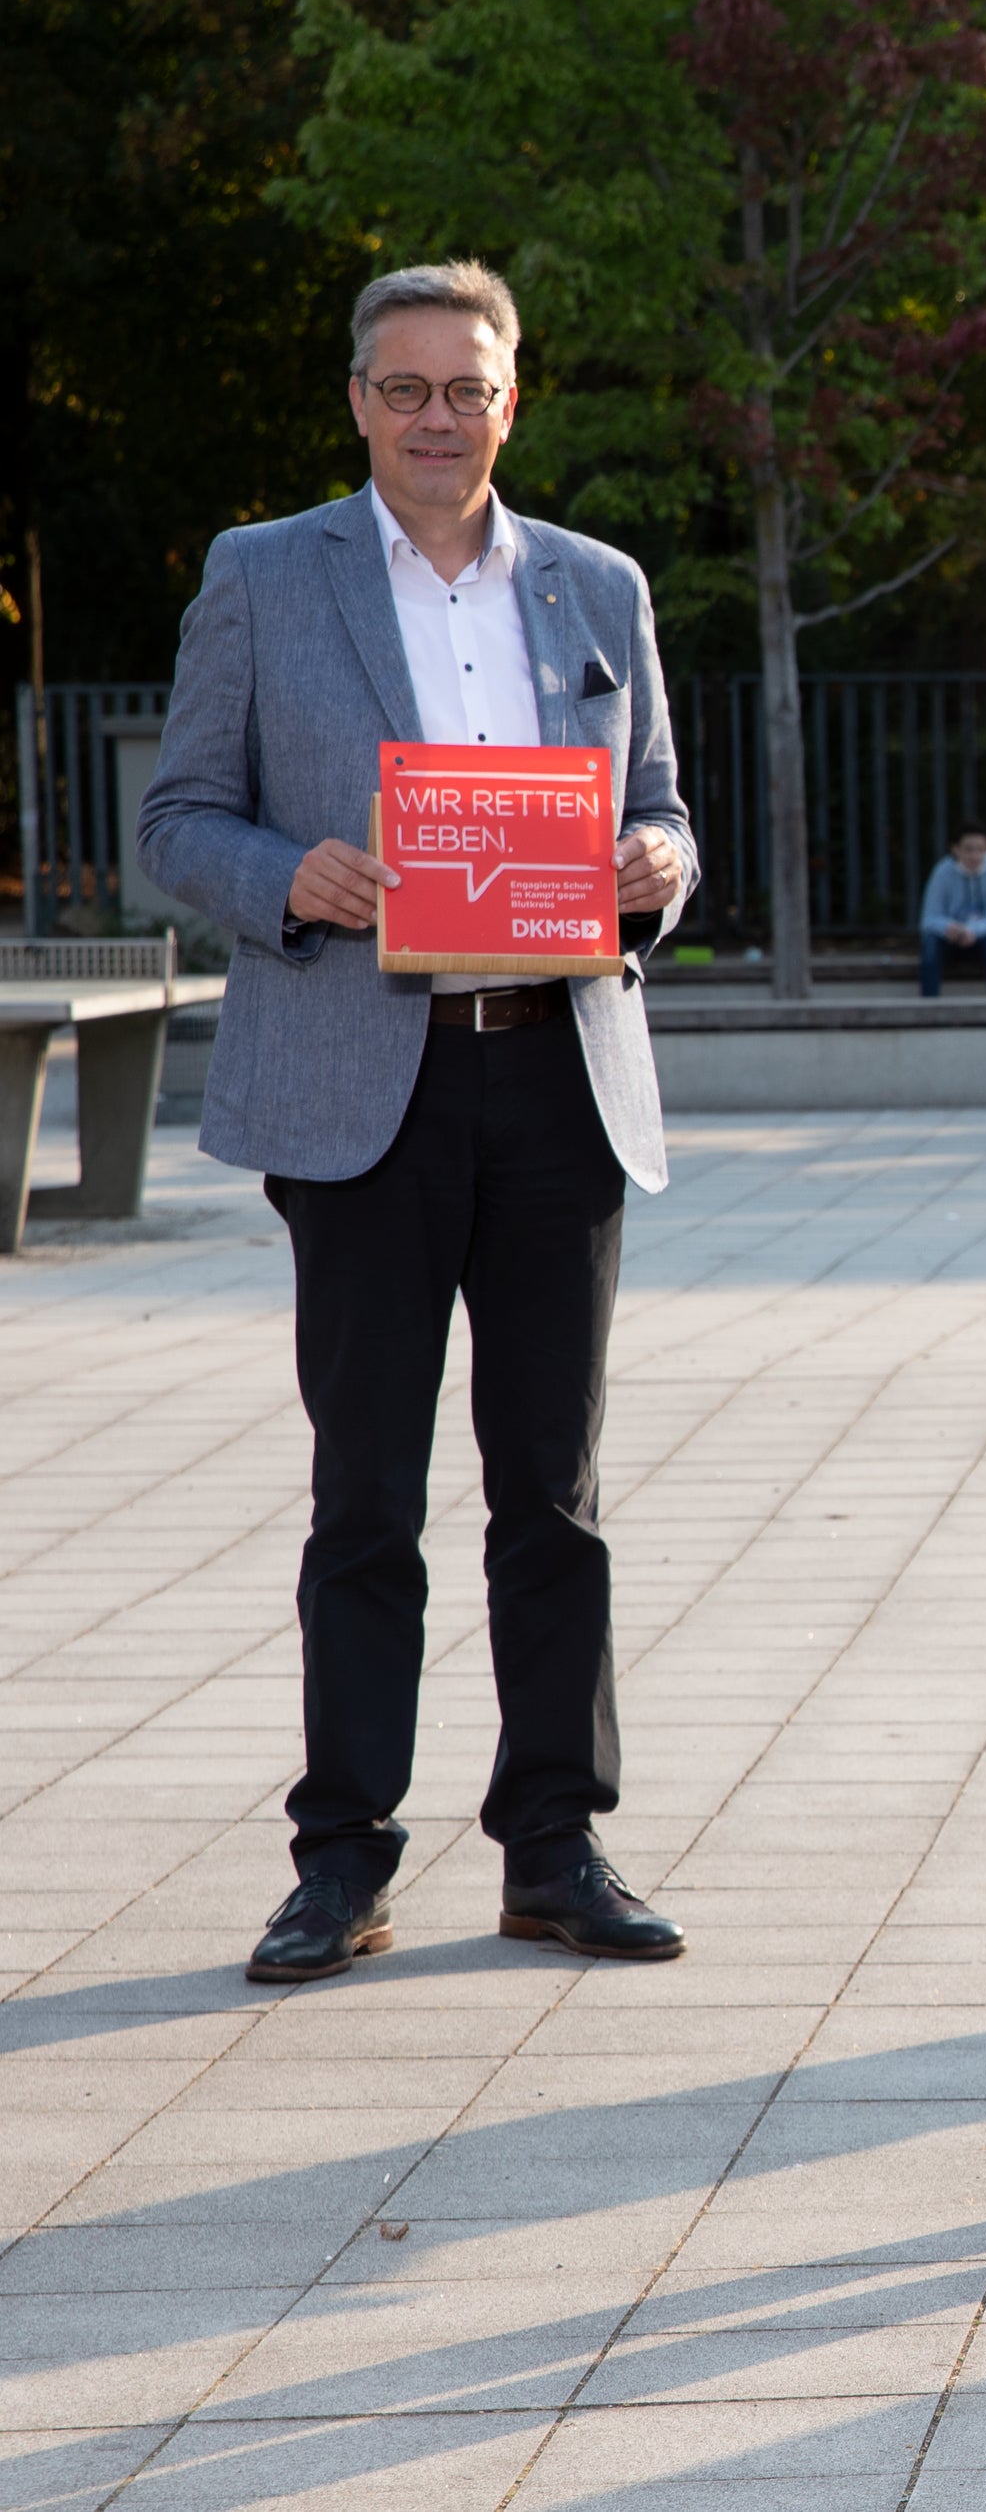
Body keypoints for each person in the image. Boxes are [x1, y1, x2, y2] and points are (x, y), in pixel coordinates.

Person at [137, 260, 697, 1984]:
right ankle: (342, 1857)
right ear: (359, 402)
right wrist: (283, 877)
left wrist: (661, 865)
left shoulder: (598, 585)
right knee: (366, 1491)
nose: (437, 417)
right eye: (405, 387)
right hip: (360, 1082)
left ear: (511, 400)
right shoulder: (262, 574)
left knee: (555, 1489)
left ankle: (556, 1845)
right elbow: (176, 819)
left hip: (558, 1073)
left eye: (467, 387)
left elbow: (662, 810)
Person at [917, 821, 986, 995]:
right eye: (968, 849)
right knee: (930, 948)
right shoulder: (942, 872)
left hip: (982, 937)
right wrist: (949, 928)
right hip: (948, 938)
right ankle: (929, 1005)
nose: (974, 855)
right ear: (955, 849)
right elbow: (930, 917)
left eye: (980, 849)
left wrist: (972, 930)